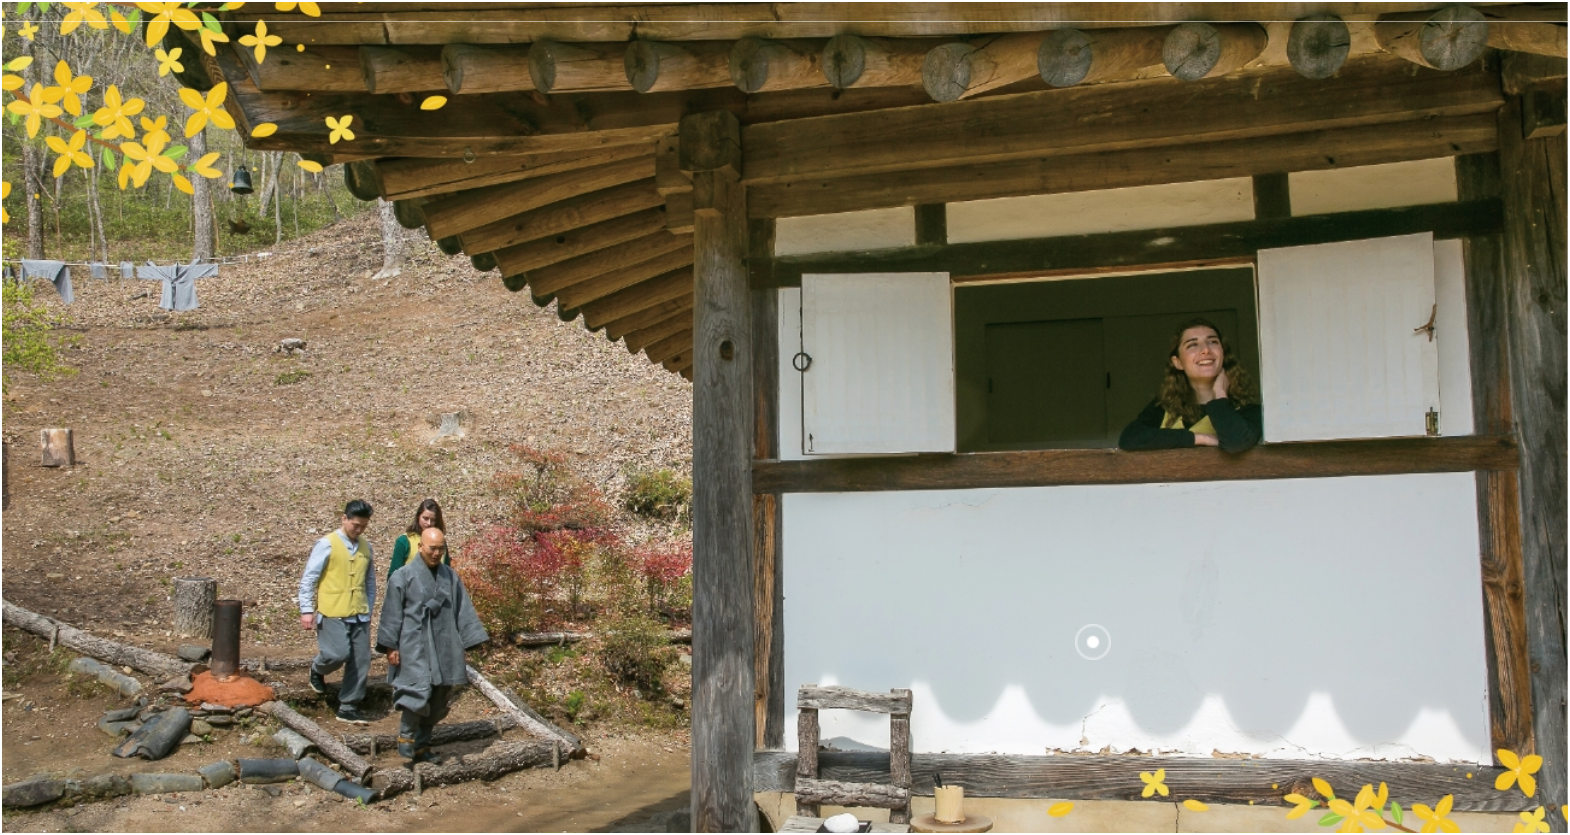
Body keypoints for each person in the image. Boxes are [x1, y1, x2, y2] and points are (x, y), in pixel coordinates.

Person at [377, 527, 488, 766]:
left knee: (439, 695)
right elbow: (391, 613)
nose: (436, 553)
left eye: (441, 549)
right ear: (420, 547)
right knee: (416, 689)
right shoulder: (402, 576)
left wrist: (471, 638)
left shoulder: (450, 576)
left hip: (445, 641)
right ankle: (406, 737)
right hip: (413, 642)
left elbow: (462, 608)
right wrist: (390, 646)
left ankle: (422, 745)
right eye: (432, 548)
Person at [1119, 318, 1263, 453]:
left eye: (1212, 342)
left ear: (1223, 354)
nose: (1205, 350)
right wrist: (1200, 438)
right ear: (1178, 363)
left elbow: (1237, 442)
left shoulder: (1248, 410)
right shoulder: (1164, 408)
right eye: (1192, 345)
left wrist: (1220, 395)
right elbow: (1129, 438)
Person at [298, 499, 377, 725]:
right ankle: (317, 668)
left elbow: (369, 582)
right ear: (344, 519)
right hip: (332, 611)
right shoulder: (326, 544)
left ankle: (349, 706)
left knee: (361, 660)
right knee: (337, 654)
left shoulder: (366, 547)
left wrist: (369, 607)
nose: (359, 530)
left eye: (363, 526)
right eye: (355, 525)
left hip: (359, 613)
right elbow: (309, 578)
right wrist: (306, 609)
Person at [387, 498, 450, 578]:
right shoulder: (404, 541)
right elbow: (393, 576)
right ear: (418, 517)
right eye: (425, 518)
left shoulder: (440, 542)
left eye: (433, 520)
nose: (429, 523)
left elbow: (447, 573)